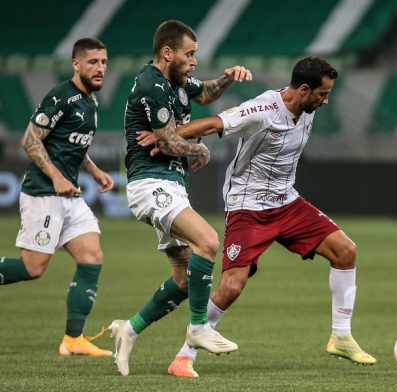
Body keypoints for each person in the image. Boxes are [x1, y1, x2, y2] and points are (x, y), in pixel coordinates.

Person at [140, 56, 377, 378]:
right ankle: (183, 357)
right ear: (304, 89)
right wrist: (167, 136)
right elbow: (213, 124)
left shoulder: (305, 108)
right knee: (232, 286)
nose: (325, 101)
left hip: (286, 201)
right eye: (322, 94)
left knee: (346, 251)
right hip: (248, 206)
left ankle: (341, 336)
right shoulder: (264, 109)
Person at [0, 38, 115, 356]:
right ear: (76, 64)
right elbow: (30, 140)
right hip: (43, 193)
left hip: (69, 194)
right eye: (93, 62)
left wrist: (94, 170)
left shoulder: (90, 103)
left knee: (91, 256)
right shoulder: (61, 97)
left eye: (103, 62)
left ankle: (73, 339)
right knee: (33, 268)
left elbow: (73, 145)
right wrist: (56, 178)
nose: (100, 68)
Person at [106, 20, 253, 376]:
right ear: (167, 53)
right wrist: (198, 148)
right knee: (208, 241)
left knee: (186, 280)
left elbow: (206, 94)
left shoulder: (178, 81)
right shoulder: (151, 85)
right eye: (189, 54)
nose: (194, 61)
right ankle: (200, 327)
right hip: (149, 185)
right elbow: (169, 140)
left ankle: (129, 329)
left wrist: (229, 77)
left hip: (170, 185)